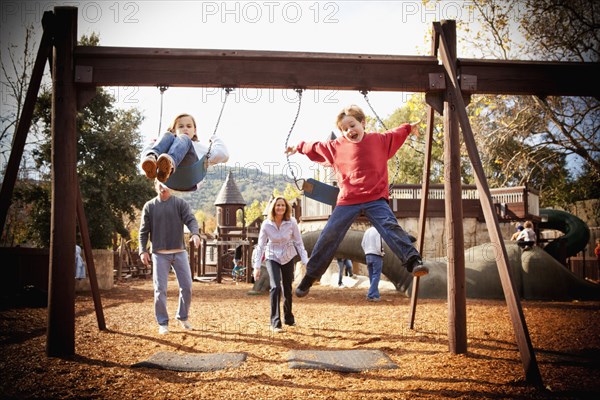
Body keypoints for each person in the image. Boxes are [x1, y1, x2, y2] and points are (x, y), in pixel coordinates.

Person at [285, 105, 429, 298]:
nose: (349, 131)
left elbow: (397, 132)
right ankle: (310, 276)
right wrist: (298, 147)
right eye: (344, 129)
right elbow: (315, 146)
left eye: (352, 125)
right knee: (329, 234)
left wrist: (410, 127)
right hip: (348, 200)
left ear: (362, 123)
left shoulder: (379, 140)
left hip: (375, 198)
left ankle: (413, 261)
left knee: (389, 226)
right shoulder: (336, 147)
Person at [139, 179, 201, 334]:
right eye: (159, 184)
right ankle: (162, 323)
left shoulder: (180, 204)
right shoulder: (149, 206)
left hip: (179, 252)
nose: (163, 187)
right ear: (155, 186)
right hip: (159, 254)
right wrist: (142, 250)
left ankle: (183, 316)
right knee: (160, 289)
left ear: (172, 186)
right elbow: (143, 231)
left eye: (165, 184)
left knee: (187, 287)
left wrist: (195, 234)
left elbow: (191, 220)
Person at [253, 197, 309, 333]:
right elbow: (260, 246)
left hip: (288, 256)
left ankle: (288, 318)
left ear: (286, 208)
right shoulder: (266, 224)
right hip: (272, 256)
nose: (280, 208)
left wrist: (305, 261)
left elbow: (298, 242)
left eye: (283, 205)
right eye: (278, 205)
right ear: (273, 207)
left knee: (288, 288)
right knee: (275, 287)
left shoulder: (292, 222)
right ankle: (275, 322)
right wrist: (257, 266)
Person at [140, 113, 229, 189]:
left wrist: (214, 139)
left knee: (184, 138)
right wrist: (153, 143)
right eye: (181, 126)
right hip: (169, 179)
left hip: (191, 176)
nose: (185, 128)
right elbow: (144, 156)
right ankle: (153, 159)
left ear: (195, 131)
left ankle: (169, 163)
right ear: (174, 130)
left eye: (189, 126)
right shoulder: (167, 142)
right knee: (167, 135)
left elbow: (224, 155)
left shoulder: (198, 146)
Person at [361, 226, 385, 302]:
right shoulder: (378, 230)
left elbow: (362, 243)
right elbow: (379, 244)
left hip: (368, 255)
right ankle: (370, 294)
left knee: (372, 276)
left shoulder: (367, 231)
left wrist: (366, 251)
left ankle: (375, 295)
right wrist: (381, 253)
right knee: (376, 275)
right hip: (376, 255)